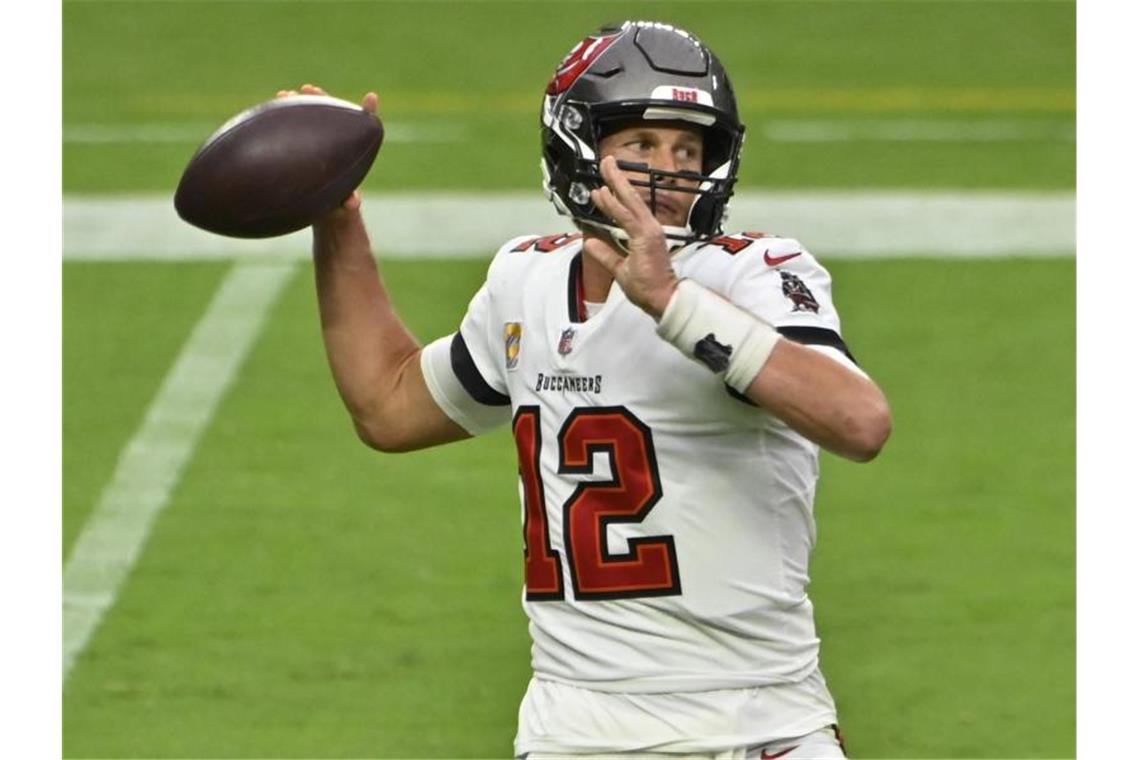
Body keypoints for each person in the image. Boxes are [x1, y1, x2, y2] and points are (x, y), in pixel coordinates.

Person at [290, 18, 891, 760]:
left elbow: (860, 421)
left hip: (755, 723)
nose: (667, 174)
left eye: (688, 150)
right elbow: (388, 404)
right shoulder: (526, 280)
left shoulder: (749, 273)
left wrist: (674, 303)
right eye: (640, 145)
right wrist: (337, 220)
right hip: (576, 729)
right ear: (578, 147)